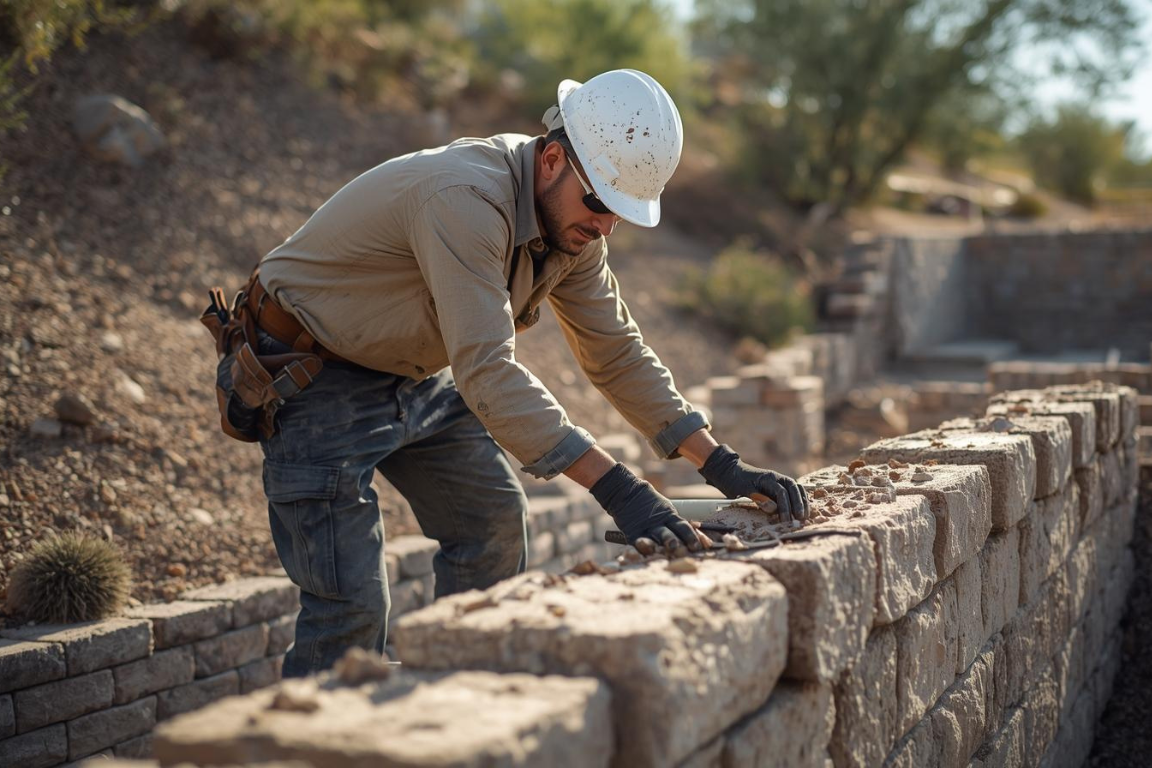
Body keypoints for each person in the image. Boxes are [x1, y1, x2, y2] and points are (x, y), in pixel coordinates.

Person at [233, 69, 810, 677]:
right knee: (350, 610)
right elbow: (488, 370)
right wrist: (619, 490)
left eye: (619, 213)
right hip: (312, 372)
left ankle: (454, 703)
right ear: (555, 158)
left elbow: (615, 350)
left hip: (411, 371)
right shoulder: (464, 198)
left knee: (494, 527)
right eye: (599, 203)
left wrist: (720, 463)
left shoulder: (576, 227)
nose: (606, 225)